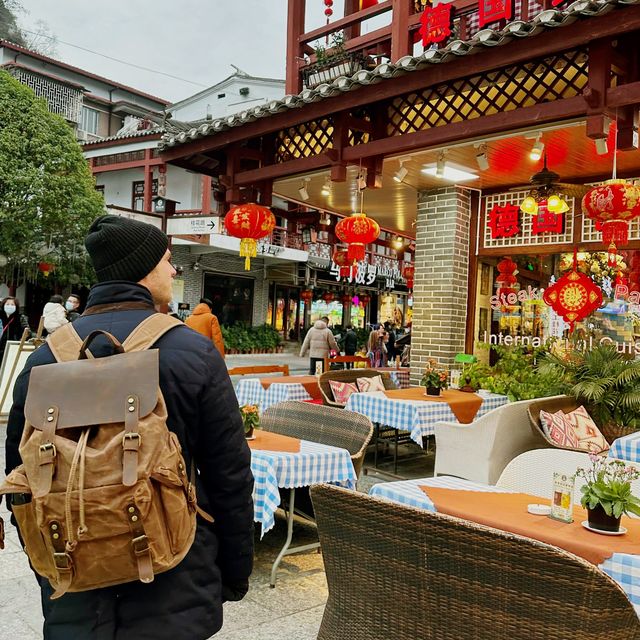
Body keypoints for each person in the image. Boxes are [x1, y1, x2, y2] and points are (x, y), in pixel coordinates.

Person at [5, 215, 254, 640]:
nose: (173, 271)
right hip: (175, 581)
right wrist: (232, 573)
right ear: (144, 267)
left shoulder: (44, 360)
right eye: (167, 261)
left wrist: (50, 567)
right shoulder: (191, 351)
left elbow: (20, 482)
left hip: (76, 585)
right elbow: (229, 477)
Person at [0, 296, 31, 363]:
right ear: (3, 305)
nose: (9, 306)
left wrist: (21, 340)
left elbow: (27, 331)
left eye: (12, 304)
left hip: (13, 347)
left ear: (16, 306)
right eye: (7, 304)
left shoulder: (20, 317)